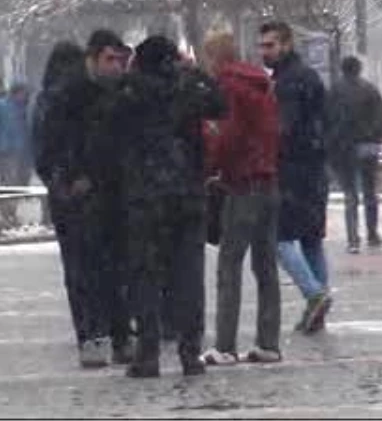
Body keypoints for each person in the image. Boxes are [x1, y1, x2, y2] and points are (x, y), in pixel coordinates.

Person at [108, 35, 226, 378]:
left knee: (144, 276)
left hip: (144, 196)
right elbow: (220, 104)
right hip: (186, 194)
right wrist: (196, 71)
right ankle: (191, 353)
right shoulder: (187, 88)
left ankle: (147, 353)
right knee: (189, 275)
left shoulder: (129, 92)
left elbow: (108, 132)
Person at [37, 30, 133, 367]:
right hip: (78, 196)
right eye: (110, 59)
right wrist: (67, 180)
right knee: (83, 268)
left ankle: (121, 335)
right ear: (91, 58)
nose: (117, 67)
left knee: (117, 267)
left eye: (120, 60)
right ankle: (92, 335)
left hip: (113, 192)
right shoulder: (66, 96)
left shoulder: (119, 92)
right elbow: (50, 146)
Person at [198, 29, 283, 366]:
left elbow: (229, 136)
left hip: (242, 182)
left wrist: (212, 164)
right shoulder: (260, 83)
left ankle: (225, 344)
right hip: (268, 180)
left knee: (229, 264)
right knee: (266, 266)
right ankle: (268, 342)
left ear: (215, 56)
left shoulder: (228, 86)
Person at [259, 21, 332, 335]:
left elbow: (283, 129)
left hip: (293, 170)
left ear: (286, 44)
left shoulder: (289, 82)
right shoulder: (307, 76)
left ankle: (314, 293)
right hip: (315, 167)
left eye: (270, 45)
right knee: (311, 239)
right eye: (261, 45)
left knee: (280, 238)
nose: (264, 52)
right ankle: (318, 304)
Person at [325, 55, 382, 254]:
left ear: (342, 70)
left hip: (344, 148)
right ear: (359, 69)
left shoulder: (335, 91)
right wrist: (375, 137)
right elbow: (380, 118)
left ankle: (353, 238)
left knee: (350, 194)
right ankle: (373, 233)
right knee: (370, 192)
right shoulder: (370, 90)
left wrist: (331, 146)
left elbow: (328, 120)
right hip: (367, 146)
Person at [0, 83, 33, 185]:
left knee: (23, 176)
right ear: (16, 93)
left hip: (24, 150)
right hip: (7, 148)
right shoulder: (0, 105)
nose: (24, 96)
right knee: (10, 176)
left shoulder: (25, 106)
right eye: (22, 93)